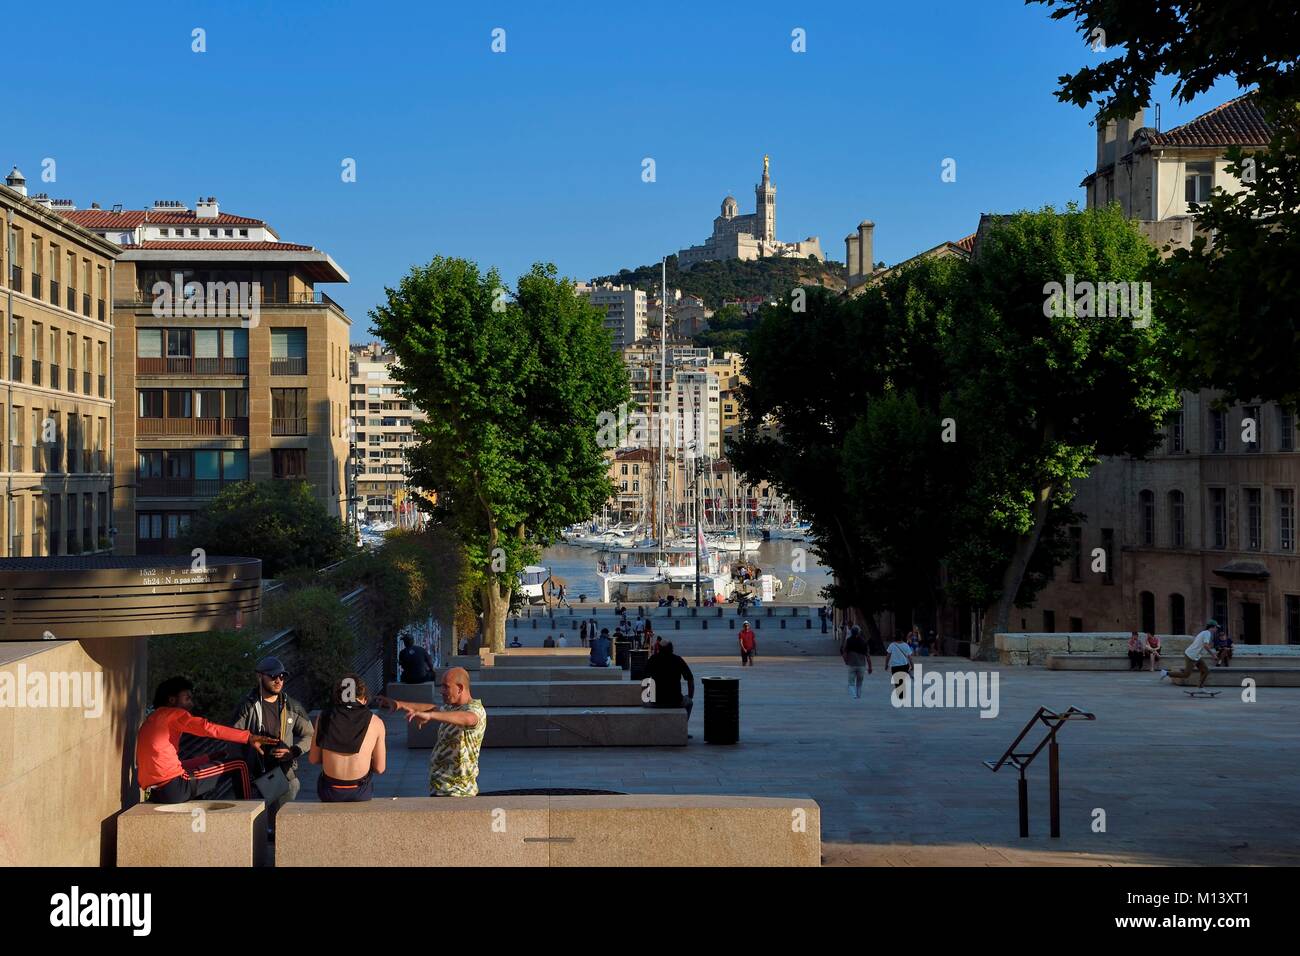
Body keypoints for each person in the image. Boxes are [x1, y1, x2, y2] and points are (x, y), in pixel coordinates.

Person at [137, 677, 278, 803]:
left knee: (200, 794)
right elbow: (207, 728)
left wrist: (208, 758)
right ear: (172, 700)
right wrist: (248, 737)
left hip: (157, 793)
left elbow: (171, 766)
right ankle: (250, 815)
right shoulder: (174, 715)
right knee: (239, 765)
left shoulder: (151, 721)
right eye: (187, 698)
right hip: (176, 787)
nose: (191, 704)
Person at [230, 656, 314, 836]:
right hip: (256, 777)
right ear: (259, 677)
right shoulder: (247, 706)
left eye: (282, 676)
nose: (278, 681)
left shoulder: (292, 705)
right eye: (273, 676)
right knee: (255, 832)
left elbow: (310, 734)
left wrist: (294, 751)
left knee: (282, 827)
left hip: (283, 774)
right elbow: (233, 738)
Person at [378, 668, 486, 797]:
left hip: (458, 792)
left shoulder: (475, 710)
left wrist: (430, 716)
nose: (442, 691)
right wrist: (399, 704)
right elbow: (432, 707)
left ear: (460, 688)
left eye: (446, 687)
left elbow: (468, 718)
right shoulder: (451, 708)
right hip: (441, 789)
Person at [309, 674, 386, 802]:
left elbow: (313, 759)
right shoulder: (376, 722)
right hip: (360, 791)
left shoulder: (324, 716)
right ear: (365, 699)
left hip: (329, 791)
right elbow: (380, 768)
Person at [643, 640, 695, 737]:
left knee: (644, 703)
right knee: (689, 703)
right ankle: (682, 728)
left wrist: (646, 698)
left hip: (656, 701)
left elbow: (645, 680)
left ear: (659, 649)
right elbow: (690, 679)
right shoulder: (678, 659)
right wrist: (690, 696)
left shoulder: (653, 659)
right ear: (672, 649)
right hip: (675, 700)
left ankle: (653, 731)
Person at [1160, 621, 1217, 689]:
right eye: (1216, 627)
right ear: (1212, 627)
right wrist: (1213, 655)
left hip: (1196, 656)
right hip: (1191, 655)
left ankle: (1200, 687)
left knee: (1205, 671)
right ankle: (1166, 673)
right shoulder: (1207, 633)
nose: (1216, 629)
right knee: (1186, 674)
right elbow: (1206, 646)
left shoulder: (1204, 632)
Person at [841, 624, 872, 699]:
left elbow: (844, 652)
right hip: (861, 665)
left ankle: (854, 695)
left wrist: (846, 661)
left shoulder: (848, 641)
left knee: (851, 682)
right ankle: (858, 694)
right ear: (859, 632)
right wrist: (870, 667)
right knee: (859, 682)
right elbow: (867, 656)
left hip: (852, 664)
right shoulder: (863, 642)